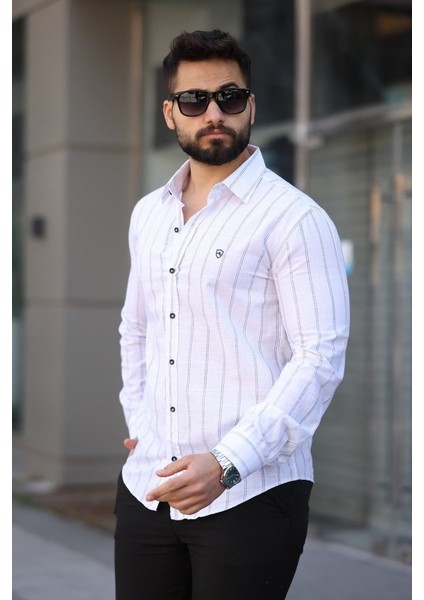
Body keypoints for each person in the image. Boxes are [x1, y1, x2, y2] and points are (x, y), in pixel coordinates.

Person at [114, 29, 350, 600]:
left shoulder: (294, 218)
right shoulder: (149, 214)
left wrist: (227, 463)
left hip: (253, 494)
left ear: (251, 106)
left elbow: (319, 359)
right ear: (170, 113)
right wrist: (141, 424)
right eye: (195, 100)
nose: (214, 113)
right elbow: (137, 328)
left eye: (230, 97)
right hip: (150, 486)